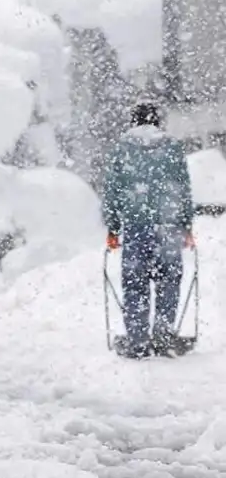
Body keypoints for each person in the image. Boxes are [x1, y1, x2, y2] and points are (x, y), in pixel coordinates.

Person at [103, 101, 196, 359]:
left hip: (136, 227)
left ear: (134, 121)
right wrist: (186, 226)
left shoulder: (122, 149)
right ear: (157, 121)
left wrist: (113, 227)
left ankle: (138, 341)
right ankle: (164, 338)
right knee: (168, 283)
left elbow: (113, 190)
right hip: (168, 227)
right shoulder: (173, 147)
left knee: (135, 284)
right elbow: (182, 189)